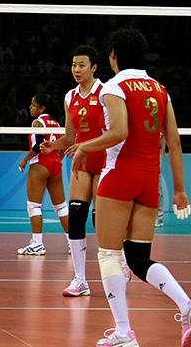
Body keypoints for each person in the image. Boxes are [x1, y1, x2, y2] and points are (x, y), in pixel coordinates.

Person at [71, 27, 191, 347]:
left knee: (109, 254)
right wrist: (179, 190)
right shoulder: (159, 88)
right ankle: (186, 305)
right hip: (150, 179)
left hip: (120, 174)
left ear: (113, 57)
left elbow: (120, 132)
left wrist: (85, 147)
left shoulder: (114, 86)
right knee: (138, 259)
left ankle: (124, 332)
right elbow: (175, 142)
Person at [40, 45, 104, 296]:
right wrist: (53, 145)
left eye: (82, 65)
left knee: (102, 220)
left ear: (94, 67)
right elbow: (70, 136)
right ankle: (80, 279)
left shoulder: (107, 92)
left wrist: (85, 145)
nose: (76, 70)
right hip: (82, 162)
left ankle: (120, 261)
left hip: (105, 160)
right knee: (77, 218)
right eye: (74, 65)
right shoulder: (70, 97)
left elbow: (115, 131)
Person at [16, 93, 69, 256]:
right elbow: (65, 144)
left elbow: (38, 145)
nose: (30, 107)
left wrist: (24, 159)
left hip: (40, 164)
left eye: (33, 105)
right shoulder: (56, 122)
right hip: (56, 165)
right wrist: (57, 158)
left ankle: (37, 243)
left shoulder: (38, 122)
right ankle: (74, 242)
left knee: (34, 205)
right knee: (61, 207)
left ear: (42, 108)